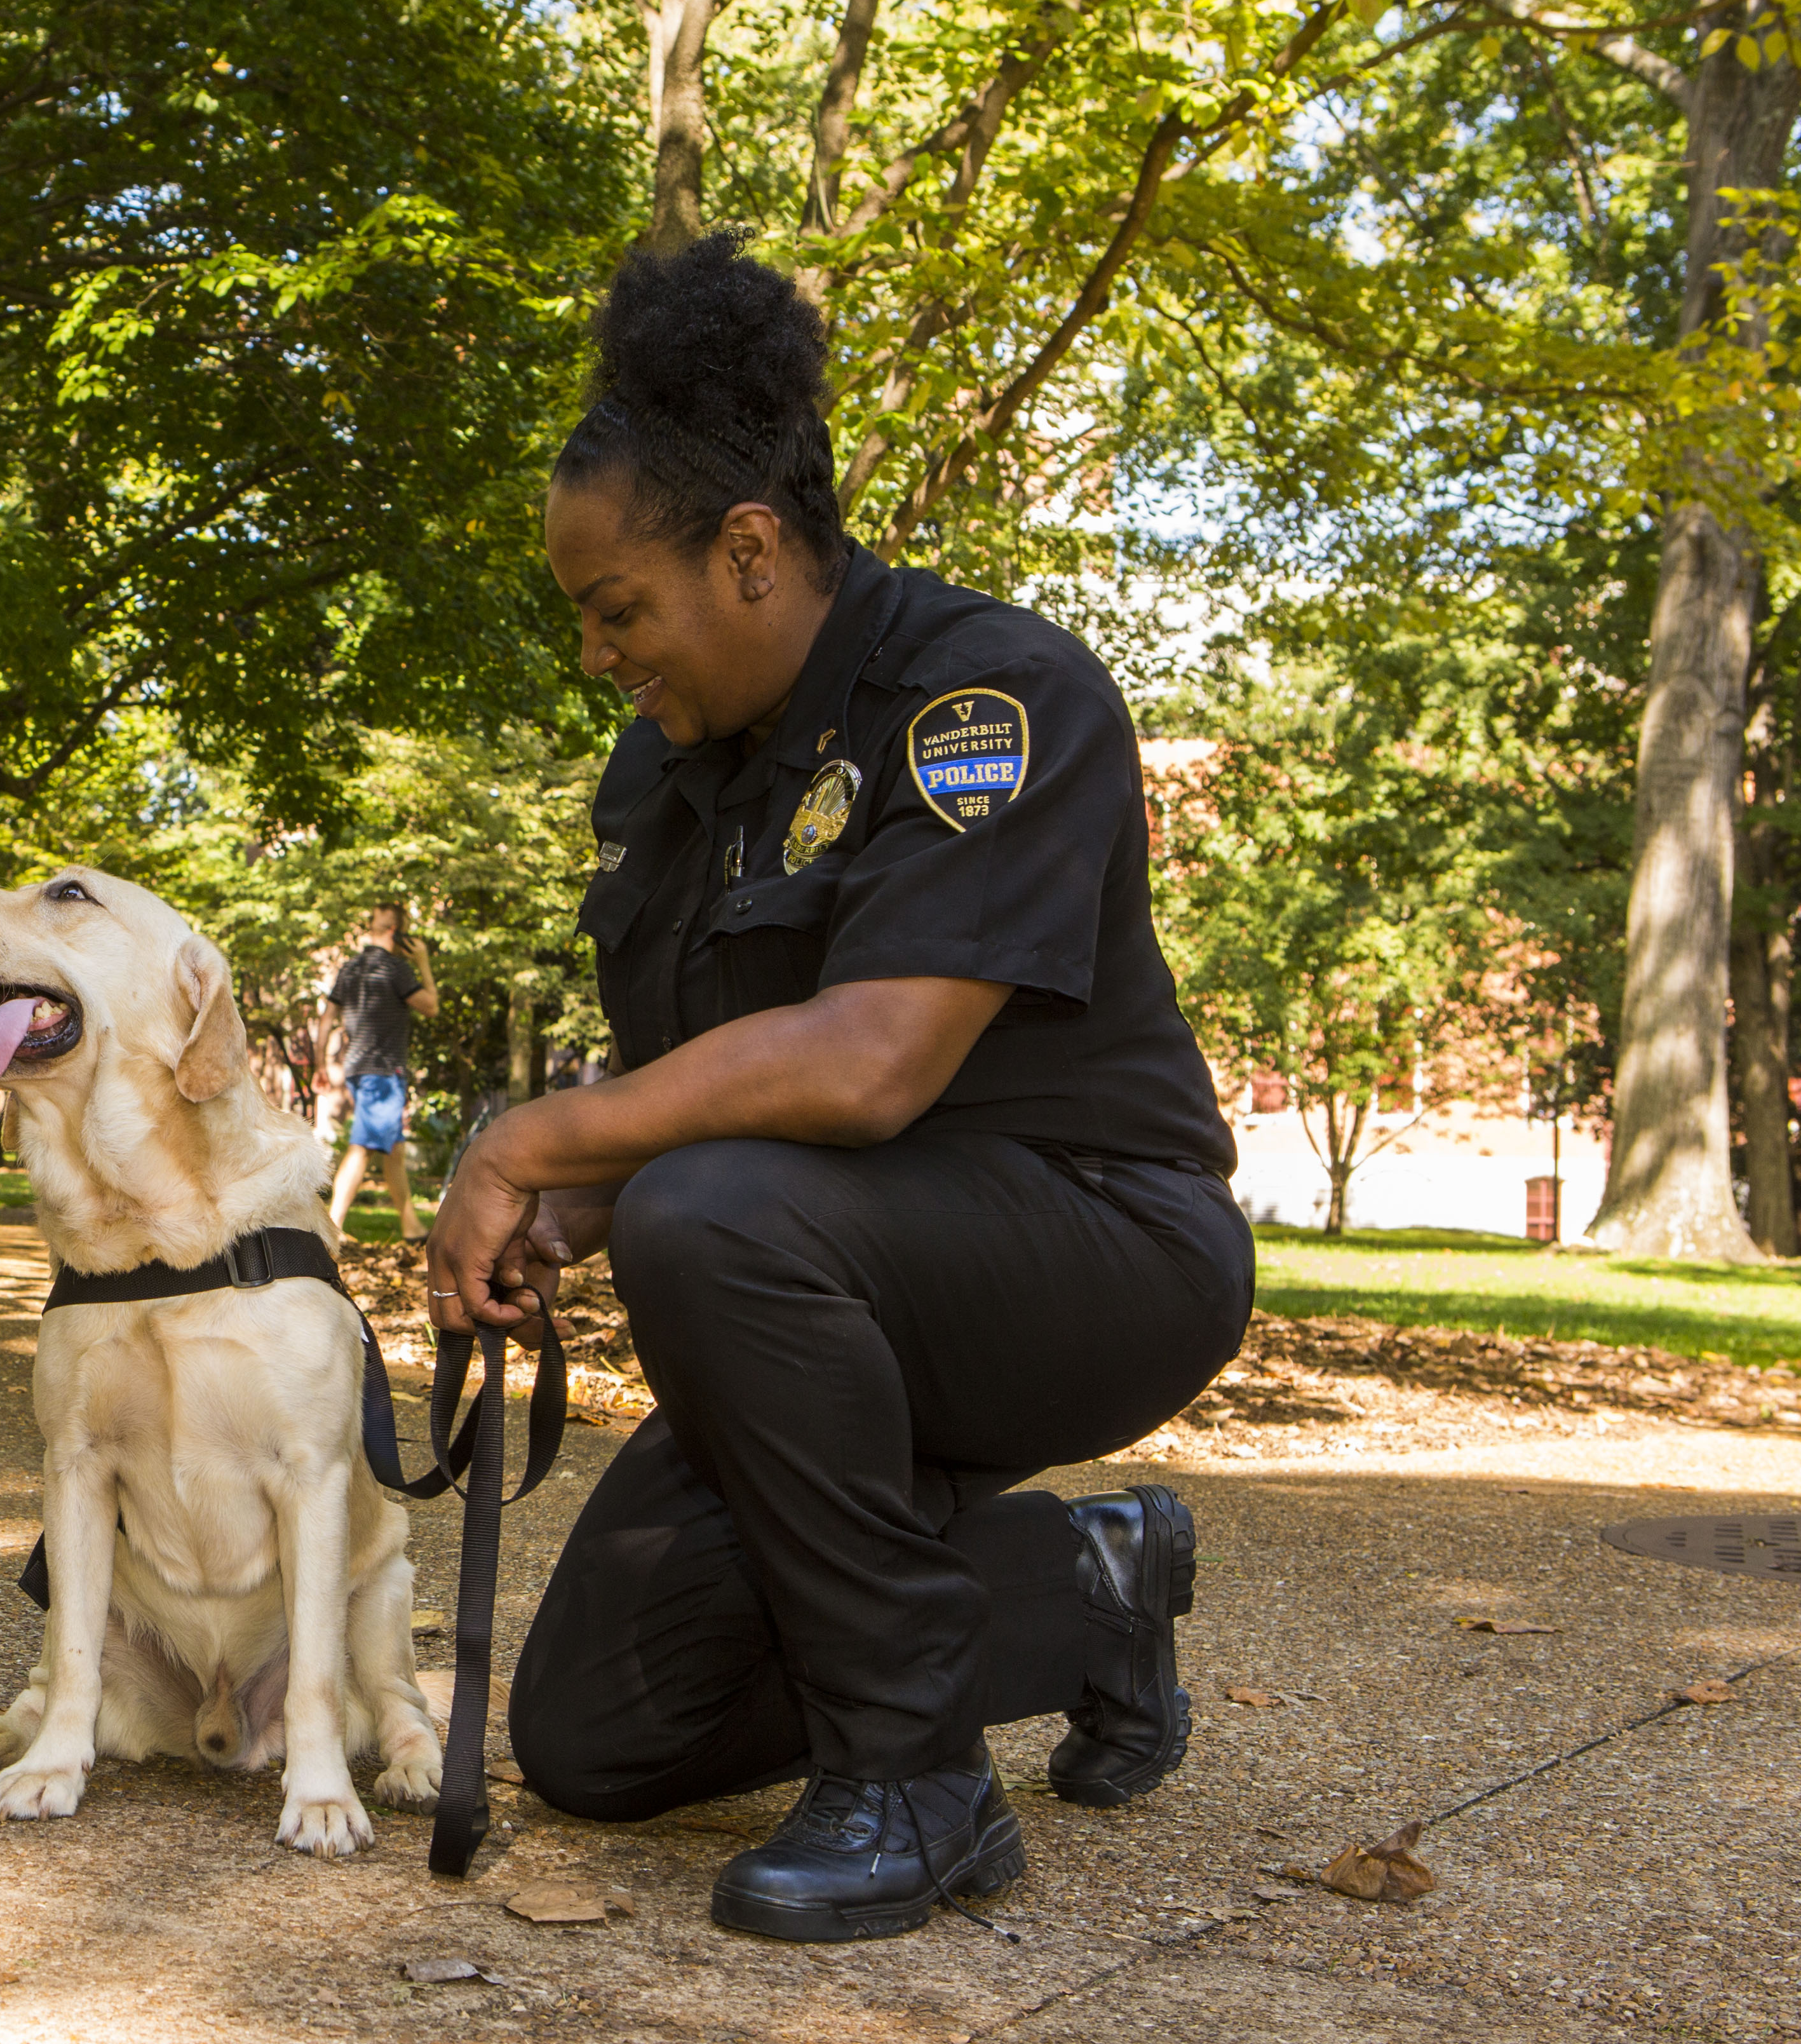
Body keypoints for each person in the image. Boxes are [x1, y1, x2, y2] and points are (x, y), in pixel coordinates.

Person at [423, 235, 1248, 1944]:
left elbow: (868, 1069)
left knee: (709, 1212)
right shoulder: (670, 773)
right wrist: (566, 1205)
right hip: (819, 1280)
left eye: (615, 610)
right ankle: (1086, 1595)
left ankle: (917, 1783)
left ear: (747, 550)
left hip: (1091, 1249)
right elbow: (688, 1081)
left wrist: (537, 1140)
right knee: (594, 1733)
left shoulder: (990, 694)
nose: (598, 656)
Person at [319, 904, 439, 1242]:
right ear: (396, 932)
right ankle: (332, 1227)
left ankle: (411, 1225)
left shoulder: (350, 969)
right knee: (362, 1147)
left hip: (359, 1069)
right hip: (383, 1072)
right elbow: (431, 1006)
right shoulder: (397, 969)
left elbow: (327, 1019)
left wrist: (318, 1065)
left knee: (394, 1151)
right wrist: (424, 963)